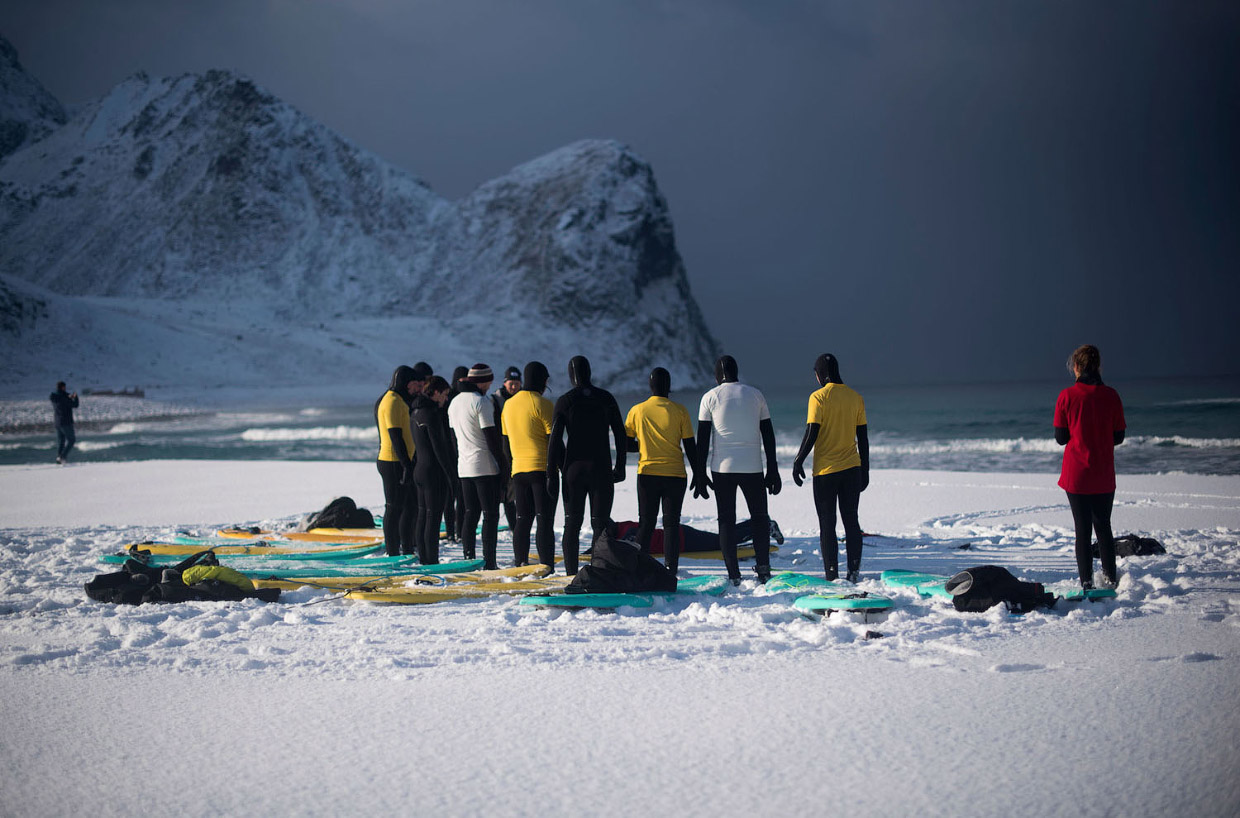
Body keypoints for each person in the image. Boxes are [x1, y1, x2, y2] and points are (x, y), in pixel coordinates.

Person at [696, 355, 780, 584]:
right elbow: (768, 435)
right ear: (736, 371)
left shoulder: (710, 397)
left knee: (726, 519)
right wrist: (773, 469)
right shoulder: (755, 394)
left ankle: (734, 574)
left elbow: (702, 440)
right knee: (760, 518)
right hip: (752, 466)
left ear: (717, 375)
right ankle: (763, 569)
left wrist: (699, 473)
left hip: (722, 468)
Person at [791, 354, 869, 582]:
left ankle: (831, 574)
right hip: (852, 469)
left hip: (826, 472)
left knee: (827, 523)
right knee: (851, 520)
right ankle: (853, 571)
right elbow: (862, 438)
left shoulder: (818, 397)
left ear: (820, 374)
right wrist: (866, 470)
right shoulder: (856, 397)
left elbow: (811, 432)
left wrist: (798, 461)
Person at [1054, 344, 1126, 590]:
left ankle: (1086, 583)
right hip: (1103, 472)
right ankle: (1110, 580)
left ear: (1076, 367)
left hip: (1077, 475)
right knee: (1103, 527)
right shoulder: (1112, 396)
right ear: (1098, 367)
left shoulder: (1067, 396)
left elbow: (1061, 437)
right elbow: (1118, 437)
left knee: (1082, 531)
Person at [547, 356, 626, 575]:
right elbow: (620, 434)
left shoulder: (565, 400)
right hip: (601, 469)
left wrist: (551, 473)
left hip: (573, 470)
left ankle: (571, 575)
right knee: (600, 525)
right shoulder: (606, 398)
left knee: (571, 524)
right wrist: (620, 466)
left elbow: (554, 440)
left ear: (571, 375)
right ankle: (598, 573)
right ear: (589, 372)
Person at [624, 367, 705, 574]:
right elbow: (690, 446)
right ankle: (671, 569)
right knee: (671, 524)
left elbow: (625, 444)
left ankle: (638, 568)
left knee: (646, 523)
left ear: (650, 386)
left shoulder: (637, 410)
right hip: (675, 475)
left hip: (647, 474)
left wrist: (644, 445)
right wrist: (699, 473)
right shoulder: (679, 410)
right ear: (669, 386)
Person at [448, 364, 507, 569]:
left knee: (470, 513)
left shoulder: (454, 403)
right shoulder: (482, 402)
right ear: (482, 381)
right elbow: (491, 438)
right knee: (490, 515)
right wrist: (504, 465)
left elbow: (455, 439)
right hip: (485, 467)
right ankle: (489, 562)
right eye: (489, 381)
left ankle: (469, 558)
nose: (490, 385)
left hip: (463, 467)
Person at [501, 361, 557, 568]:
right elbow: (554, 443)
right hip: (541, 470)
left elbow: (505, 444)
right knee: (544, 520)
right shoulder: (543, 404)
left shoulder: (508, 405)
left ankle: (520, 563)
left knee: (522, 519)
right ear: (542, 380)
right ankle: (546, 564)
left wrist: (512, 469)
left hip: (518, 472)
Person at [374, 365, 425, 556]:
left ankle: (407, 547)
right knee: (394, 507)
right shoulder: (392, 401)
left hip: (401, 461)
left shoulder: (400, 399)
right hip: (392, 461)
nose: (417, 388)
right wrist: (406, 464)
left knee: (408, 506)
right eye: (415, 384)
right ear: (406, 383)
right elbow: (395, 436)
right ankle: (392, 551)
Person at [411, 375, 458, 564]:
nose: (446, 399)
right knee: (433, 518)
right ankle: (431, 560)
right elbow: (440, 449)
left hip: (419, 470)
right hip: (433, 473)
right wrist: (451, 476)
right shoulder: (431, 414)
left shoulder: (415, 411)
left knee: (423, 516)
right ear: (436, 392)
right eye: (445, 394)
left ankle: (424, 558)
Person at [490, 366, 523, 531]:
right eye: (511, 383)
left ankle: (516, 525)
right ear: (505, 383)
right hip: (501, 449)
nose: (514, 387)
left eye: (517, 383)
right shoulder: (496, 400)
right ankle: (512, 525)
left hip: (519, 449)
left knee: (514, 491)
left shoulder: (523, 399)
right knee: (505, 489)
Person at [443, 365, 470, 543]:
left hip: (462, 452)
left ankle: (459, 531)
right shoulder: (449, 399)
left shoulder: (464, 398)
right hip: (448, 452)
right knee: (449, 496)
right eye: (462, 380)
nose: (464, 383)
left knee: (461, 497)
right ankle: (451, 531)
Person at [49, 381, 79, 464]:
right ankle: (62, 457)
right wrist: (75, 397)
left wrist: (68, 396)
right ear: (63, 387)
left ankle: (59, 458)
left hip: (57, 422)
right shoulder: (63, 398)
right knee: (71, 440)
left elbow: (62, 396)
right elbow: (75, 405)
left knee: (61, 441)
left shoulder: (55, 397)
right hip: (66, 422)